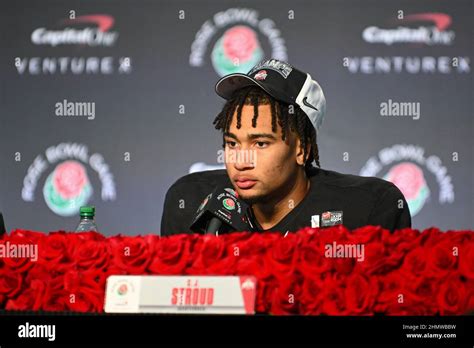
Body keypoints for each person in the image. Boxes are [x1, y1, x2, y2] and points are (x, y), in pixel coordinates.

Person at [160, 59, 411, 236]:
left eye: (260, 143)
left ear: (302, 149)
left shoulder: (367, 208)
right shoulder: (190, 200)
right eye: (232, 143)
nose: (241, 161)